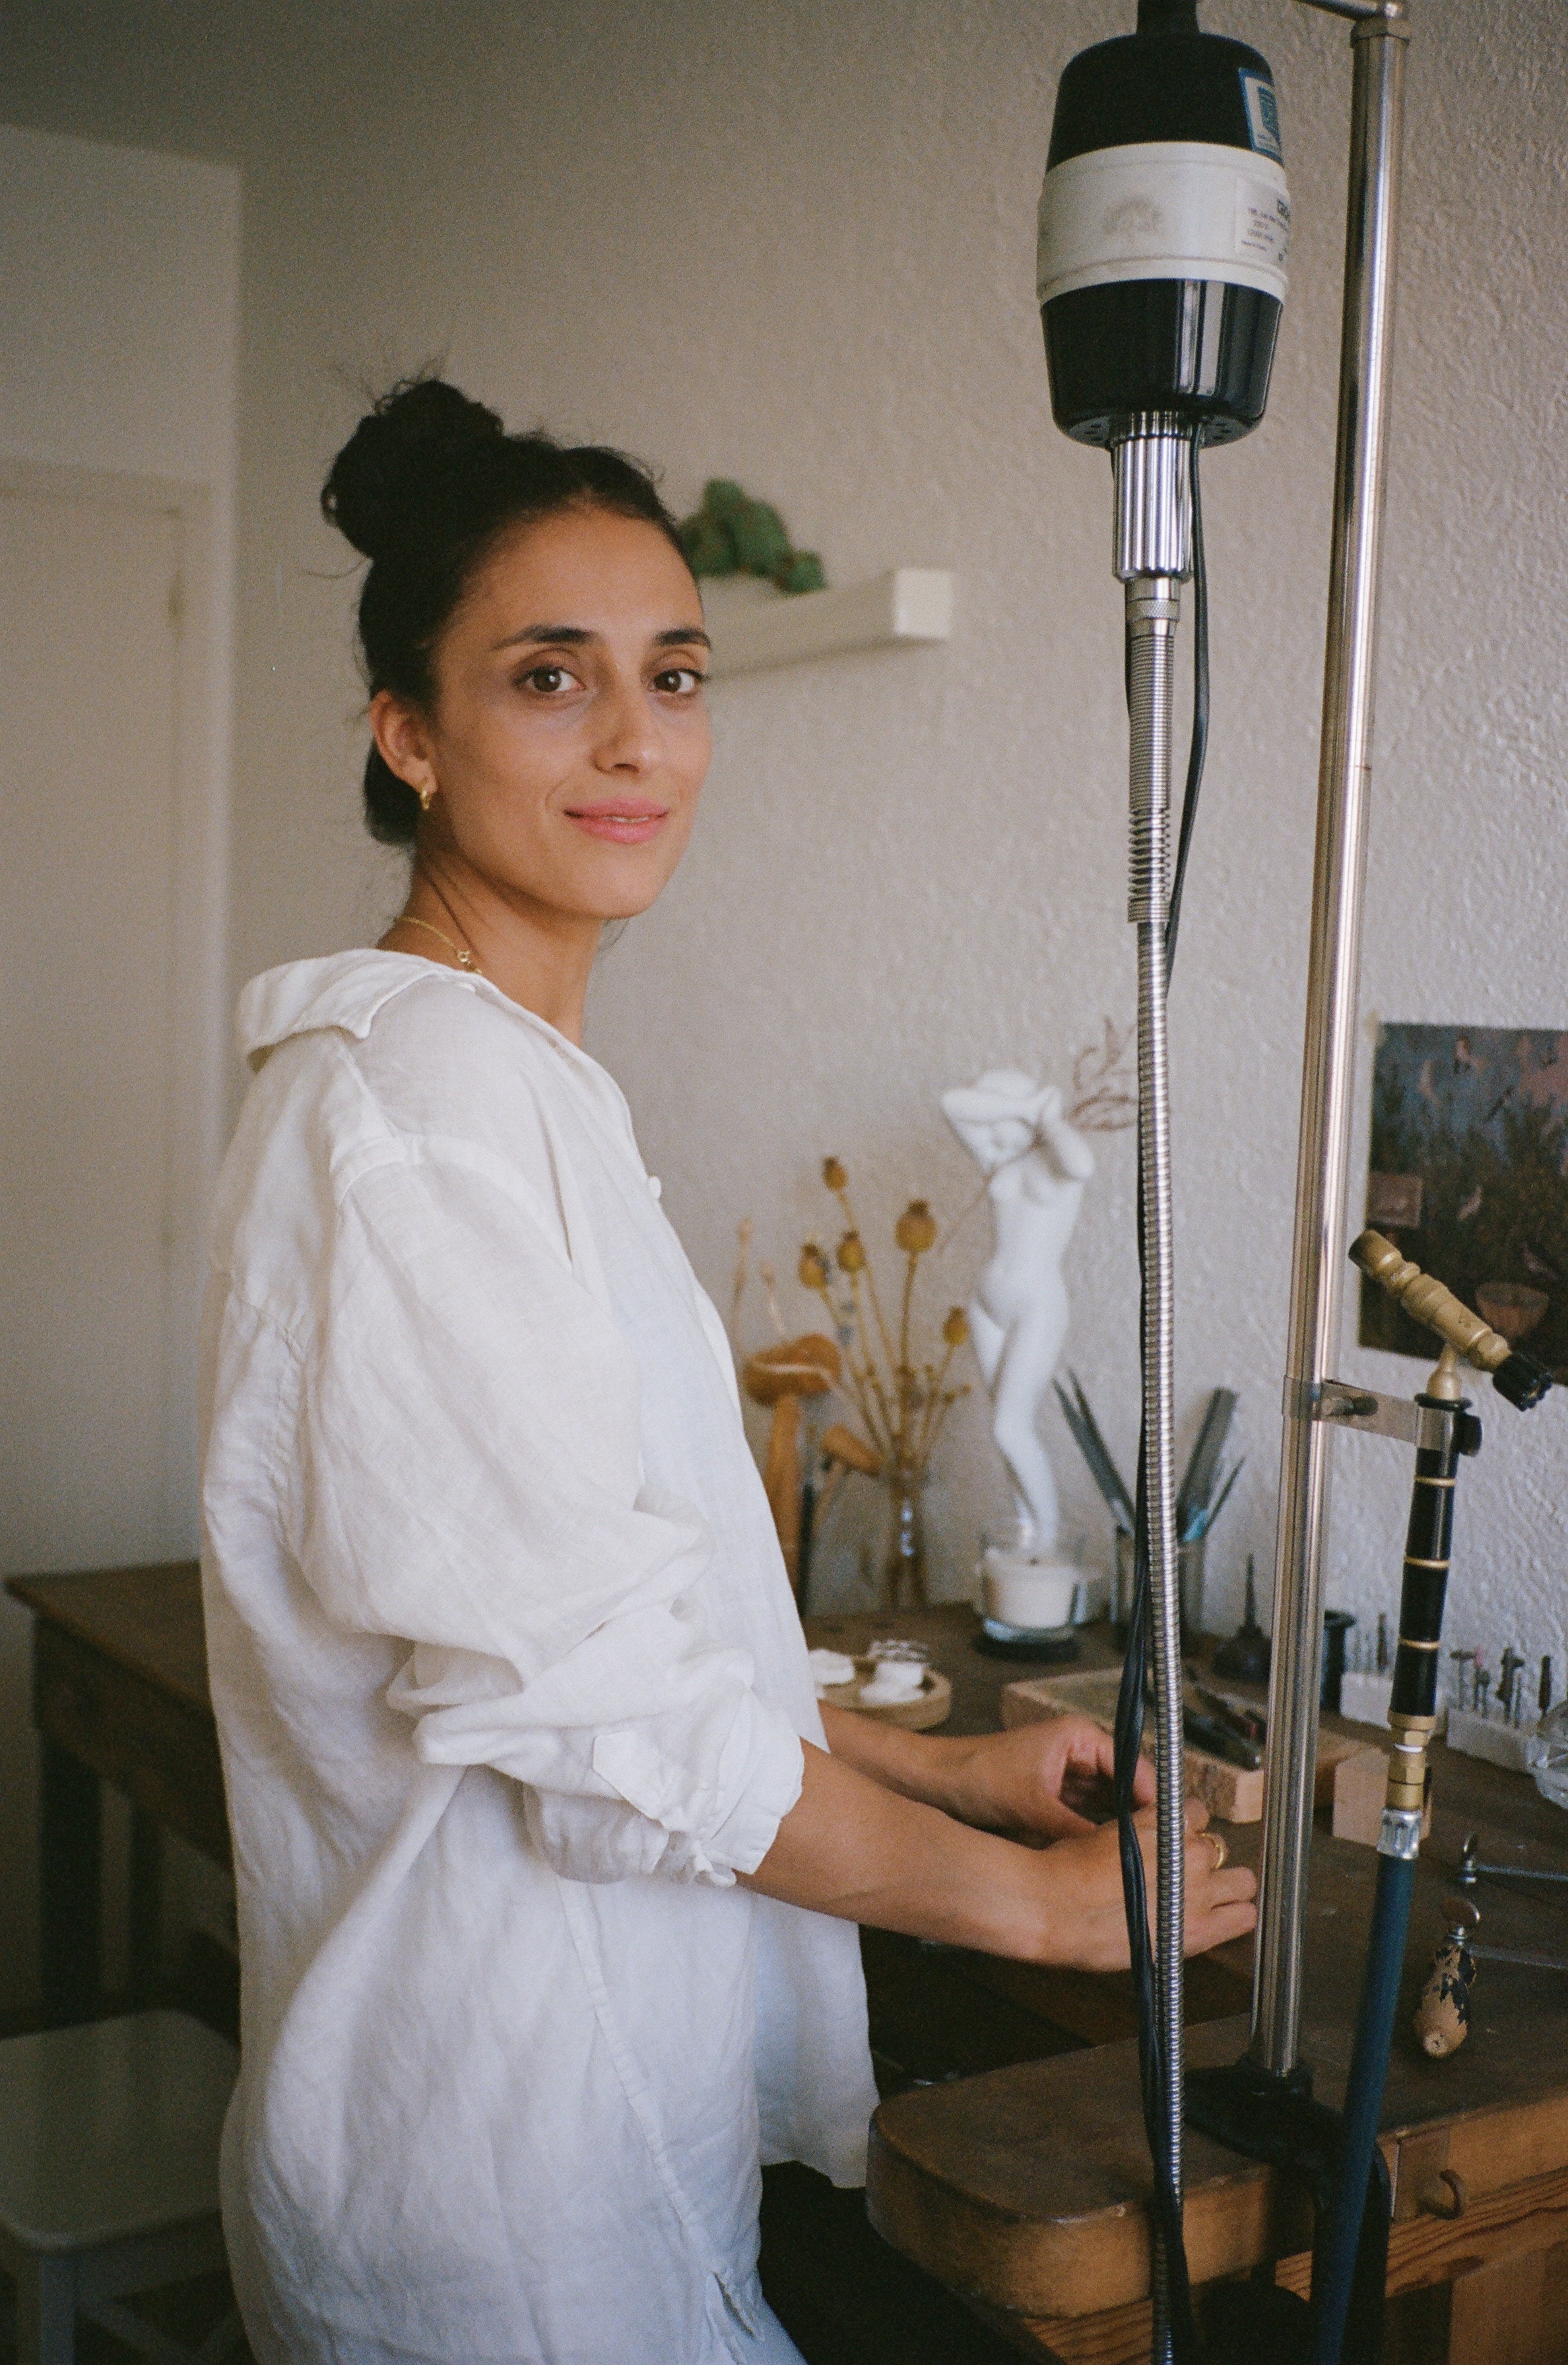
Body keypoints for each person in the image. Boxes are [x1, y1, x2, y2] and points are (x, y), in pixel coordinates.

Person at [200, 377, 1256, 2365]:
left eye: (673, 675)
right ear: (409, 735)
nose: (635, 740)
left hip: (580, 2138)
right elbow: (604, 1715)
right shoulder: (421, 1118)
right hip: (501, 2195)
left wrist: (940, 1769)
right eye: (550, 677)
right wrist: (1028, 1908)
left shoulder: (518, 1087)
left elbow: (631, 1640)